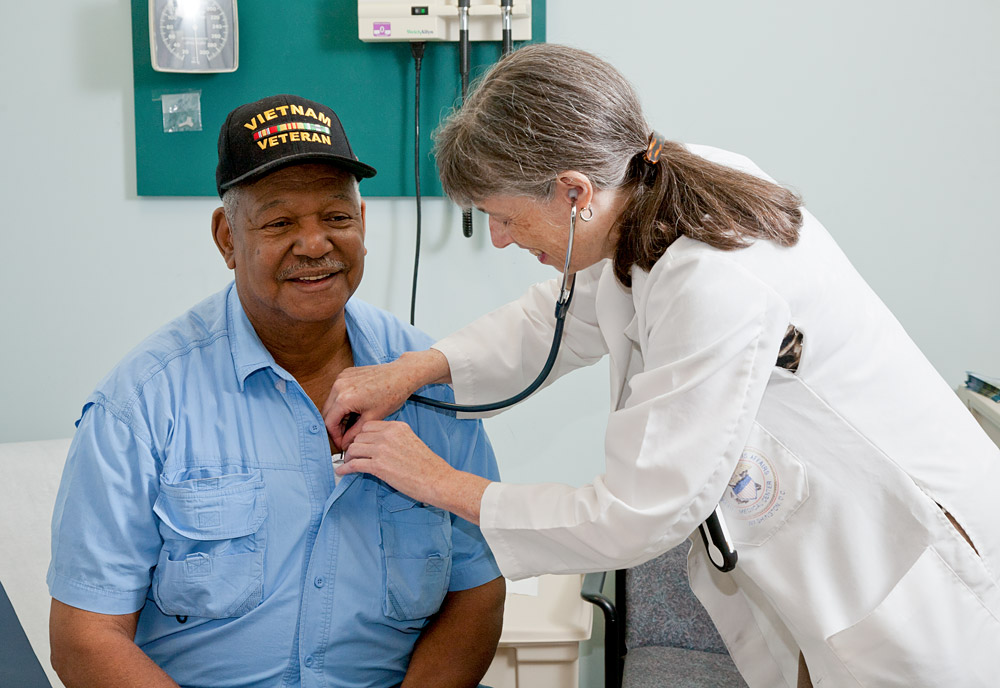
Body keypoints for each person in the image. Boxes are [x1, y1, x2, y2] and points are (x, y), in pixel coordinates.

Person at [324, 44, 1000, 687]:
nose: (498, 238)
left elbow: (632, 513)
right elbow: (554, 321)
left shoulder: (715, 279)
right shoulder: (647, 190)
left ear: (572, 192)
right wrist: (414, 370)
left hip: (920, 582)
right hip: (834, 564)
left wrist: (442, 482)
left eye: (502, 216)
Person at [47, 94, 505, 688]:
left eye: (337, 217)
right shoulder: (142, 404)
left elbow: (479, 590)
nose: (314, 245)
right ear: (226, 238)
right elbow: (85, 637)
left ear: (363, 226)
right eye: (280, 222)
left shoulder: (426, 382)